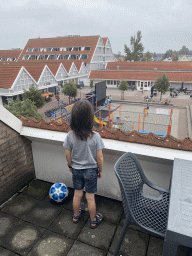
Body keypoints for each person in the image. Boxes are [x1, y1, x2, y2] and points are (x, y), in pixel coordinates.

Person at [63, 100, 105, 229]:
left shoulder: (70, 136)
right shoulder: (96, 137)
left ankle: (76, 215)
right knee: (90, 198)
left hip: (76, 170)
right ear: (90, 119)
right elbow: (100, 157)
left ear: (73, 118)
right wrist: (101, 170)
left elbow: (67, 154)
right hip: (91, 171)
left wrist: (70, 165)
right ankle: (93, 220)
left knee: (77, 194)